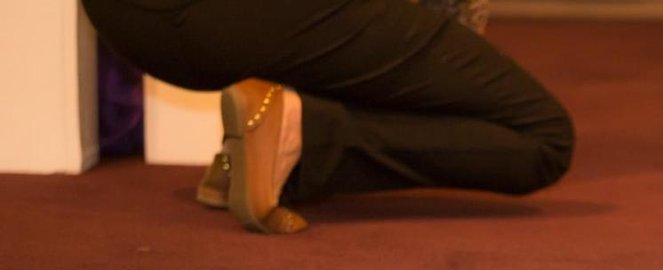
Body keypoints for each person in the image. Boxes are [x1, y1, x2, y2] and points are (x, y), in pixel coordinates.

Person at [81, 0, 574, 234]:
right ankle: (298, 137)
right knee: (542, 139)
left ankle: (238, 159)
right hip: (228, 17)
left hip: (126, 22)